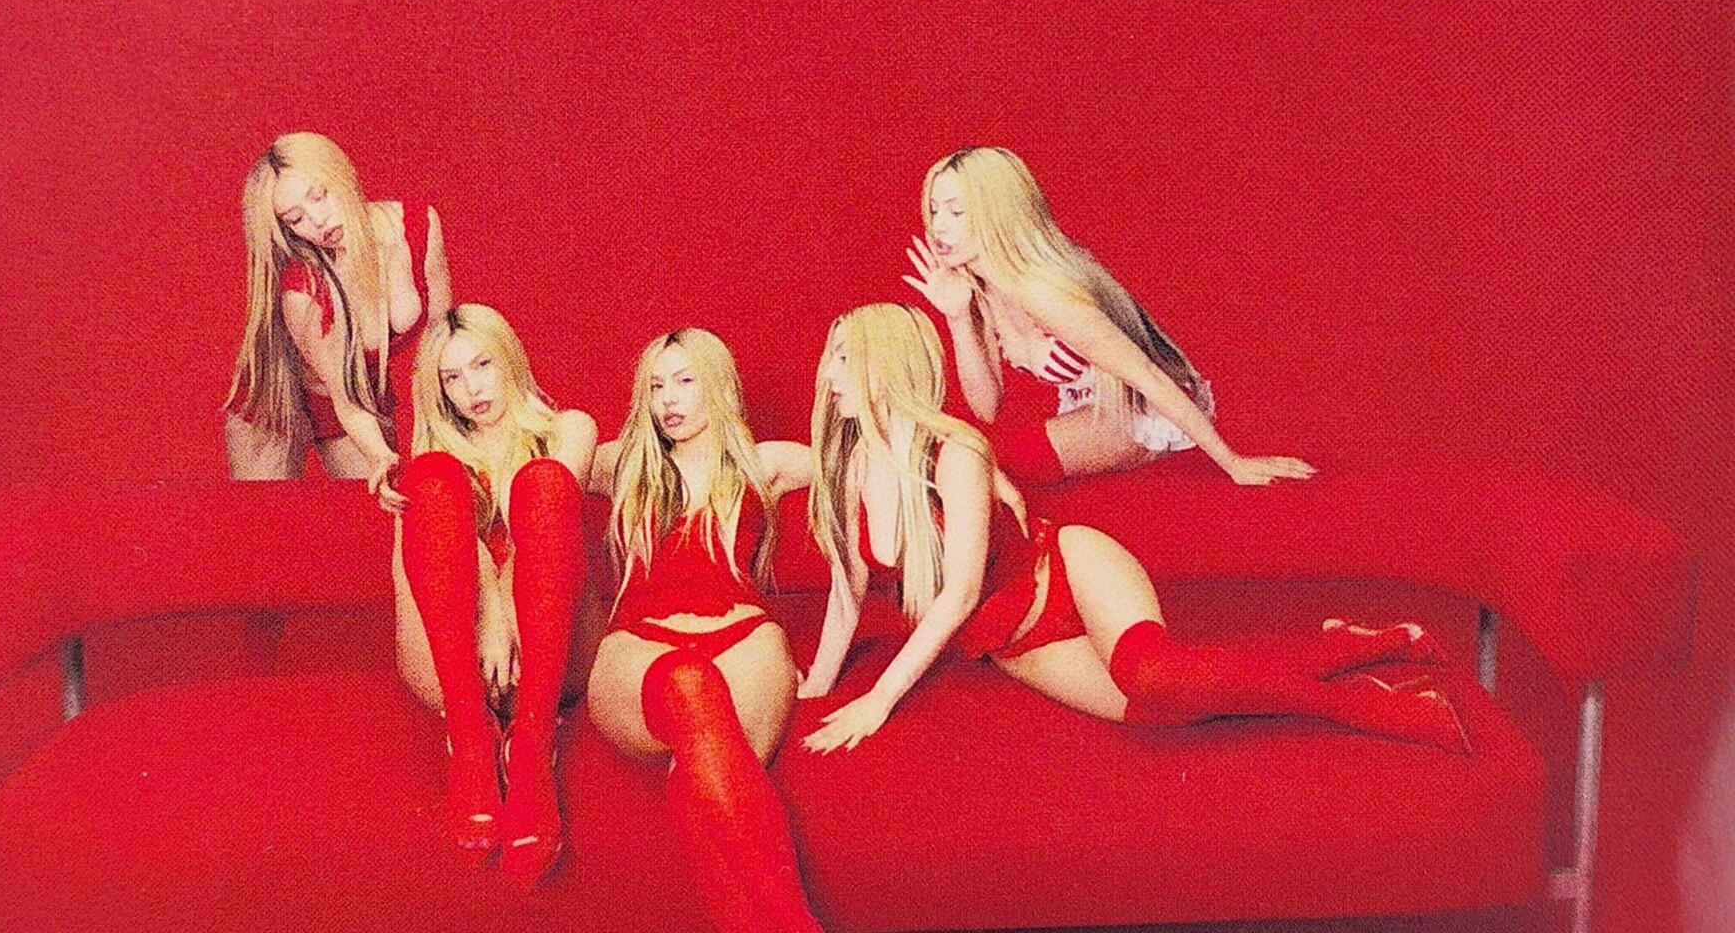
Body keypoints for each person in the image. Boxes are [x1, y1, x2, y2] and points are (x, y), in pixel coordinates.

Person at [798, 303, 1468, 757]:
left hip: (1069, 570)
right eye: (830, 359)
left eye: (844, 359)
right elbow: (847, 594)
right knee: (1167, 706)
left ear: (889, 365)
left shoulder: (956, 456)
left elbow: (958, 593)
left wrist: (879, 701)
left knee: (1153, 674)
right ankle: (1352, 645)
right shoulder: (846, 471)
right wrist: (816, 689)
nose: (828, 376)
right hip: (1016, 641)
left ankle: (1363, 707)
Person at [583, 329, 825, 933]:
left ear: (719, 384)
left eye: (685, 381)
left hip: (745, 640)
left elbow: (876, 457)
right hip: (640, 645)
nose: (669, 399)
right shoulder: (620, 464)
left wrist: (979, 468)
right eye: (656, 386)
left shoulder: (763, 462)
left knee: (703, 778)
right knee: (688, 684)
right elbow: (524, 458)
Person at [904, 145, 1312, 487]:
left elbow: (1147, 376)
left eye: (956, 212)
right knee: (968, 461)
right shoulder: (981, 291)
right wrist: (958, 318)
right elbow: (987, 408)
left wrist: (1233, 463)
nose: (938, 227)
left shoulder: (1044, 296)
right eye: (934, 210)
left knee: (1005, 461)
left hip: (1145, 410)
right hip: (1092, 408)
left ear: (1001, 214)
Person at [393, 305, 597, 889]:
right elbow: (430, 564)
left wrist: (505, 608)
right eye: (452, 378)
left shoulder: (570, 429)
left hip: (548, 655)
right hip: (456, 664)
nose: (471, 389)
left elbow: (544, 534)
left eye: (482, 365)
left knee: (545, 484)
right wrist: (484, 599)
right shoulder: (437, 459)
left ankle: (530, 750)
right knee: (428, 482)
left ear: (510, 358)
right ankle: (471, 740)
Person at [223, 131, 450, 500]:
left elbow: (441, 344)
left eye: (320, 195)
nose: (317, 220)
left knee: (377, 509)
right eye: (295, 218)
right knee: (266, 523)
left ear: (342, 173)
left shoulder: (419, 227)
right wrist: (379, 455)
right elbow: (344, 399)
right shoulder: (303, 290)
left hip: (358, 392)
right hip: (276, 399)